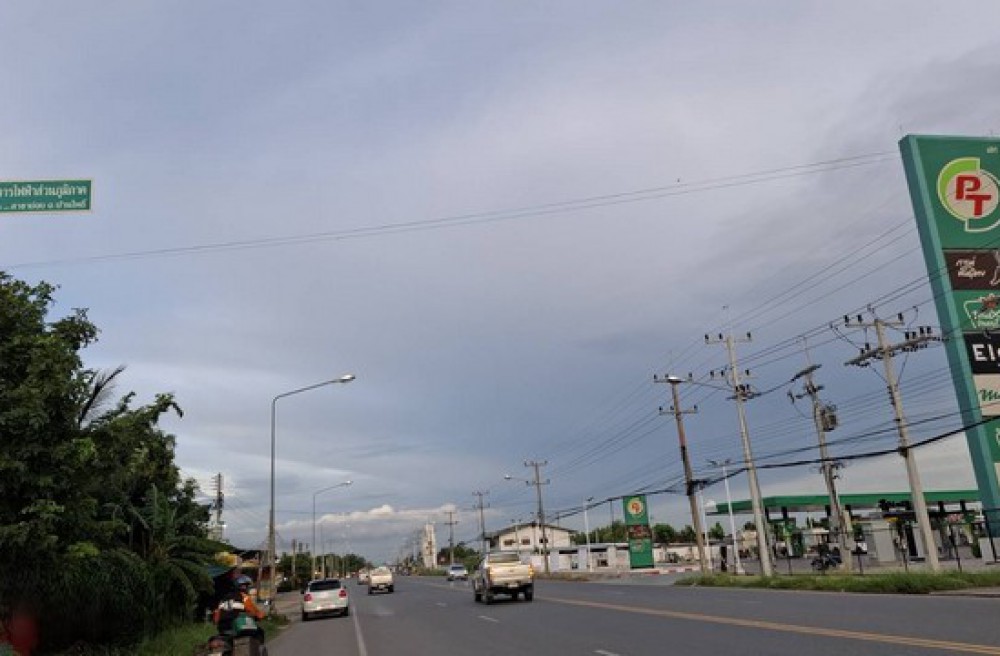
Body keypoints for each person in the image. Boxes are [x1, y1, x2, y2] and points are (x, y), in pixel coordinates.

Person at [213, 575, 266, 644]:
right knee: (259, 632)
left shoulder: (224, 599)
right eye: (245, 586)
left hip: (222, 627)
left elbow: (216, 617)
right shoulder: (244, 597)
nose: (246, 588)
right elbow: (253, 611)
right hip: (238, 625)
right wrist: (260, 615)